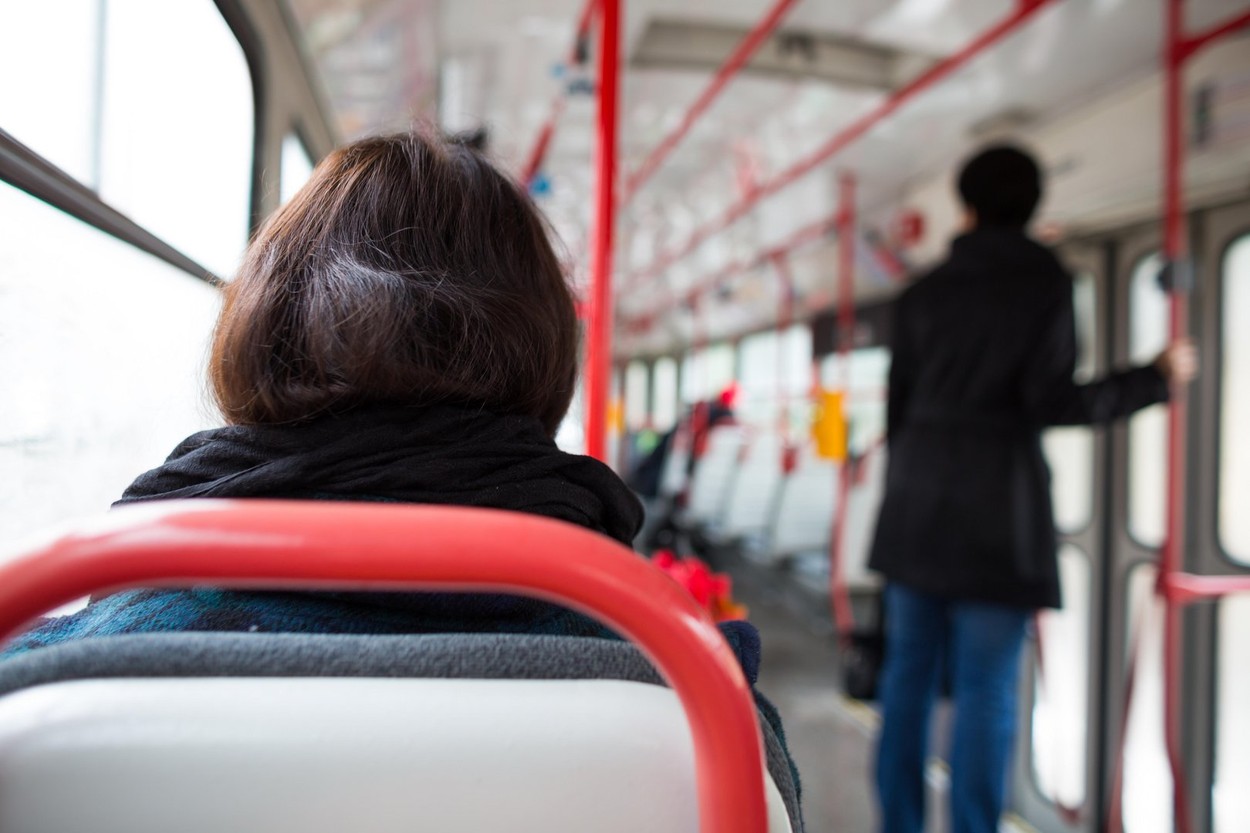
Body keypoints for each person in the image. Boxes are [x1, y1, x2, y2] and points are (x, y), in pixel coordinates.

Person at [868, 144, 1197, 833]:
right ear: (1033, 206)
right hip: (1001, 512)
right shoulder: (1045, 282)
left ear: (967, 206)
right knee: (988, 692)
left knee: (906, 683)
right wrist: (1153, 377)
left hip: (917, 507)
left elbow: (897, 412)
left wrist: (911, 480)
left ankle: (897, 823)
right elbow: (1054, 401)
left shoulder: (922, 292)